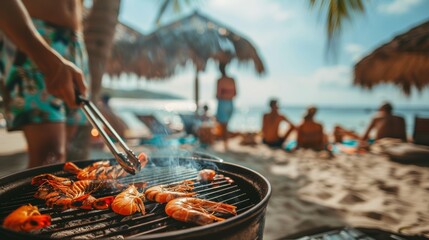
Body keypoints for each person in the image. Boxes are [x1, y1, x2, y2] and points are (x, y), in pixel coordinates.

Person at [0, 0, 89, 168]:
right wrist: (43, 56)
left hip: (74, 43)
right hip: (34, 35)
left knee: (62, 157)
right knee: (49, 155)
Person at [215, 62, 236, 150]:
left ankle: (225, 144)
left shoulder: (219, 80)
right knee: (226, 125)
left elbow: (218, 94)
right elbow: (235, 93)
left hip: (223, 103)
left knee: (224, 126)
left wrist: (223, 94)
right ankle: (226, 143)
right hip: (230, 103)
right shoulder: (232, 79)